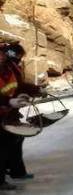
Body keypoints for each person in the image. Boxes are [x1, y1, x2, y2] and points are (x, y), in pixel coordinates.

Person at [0, 42, 45, 190]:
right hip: (4, 110)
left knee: (14, 140)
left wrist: (34, 91)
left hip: (7, 112)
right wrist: (9, 101)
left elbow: (17, 86)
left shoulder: (9, 69)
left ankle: (16, 171)